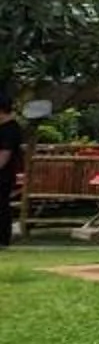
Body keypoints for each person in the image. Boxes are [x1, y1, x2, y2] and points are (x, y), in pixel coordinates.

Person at [0, 93, 24, 251]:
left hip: (3, 175)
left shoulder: (10, 129)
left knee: (1, 206)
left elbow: (4, 154)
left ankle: (2, 239)